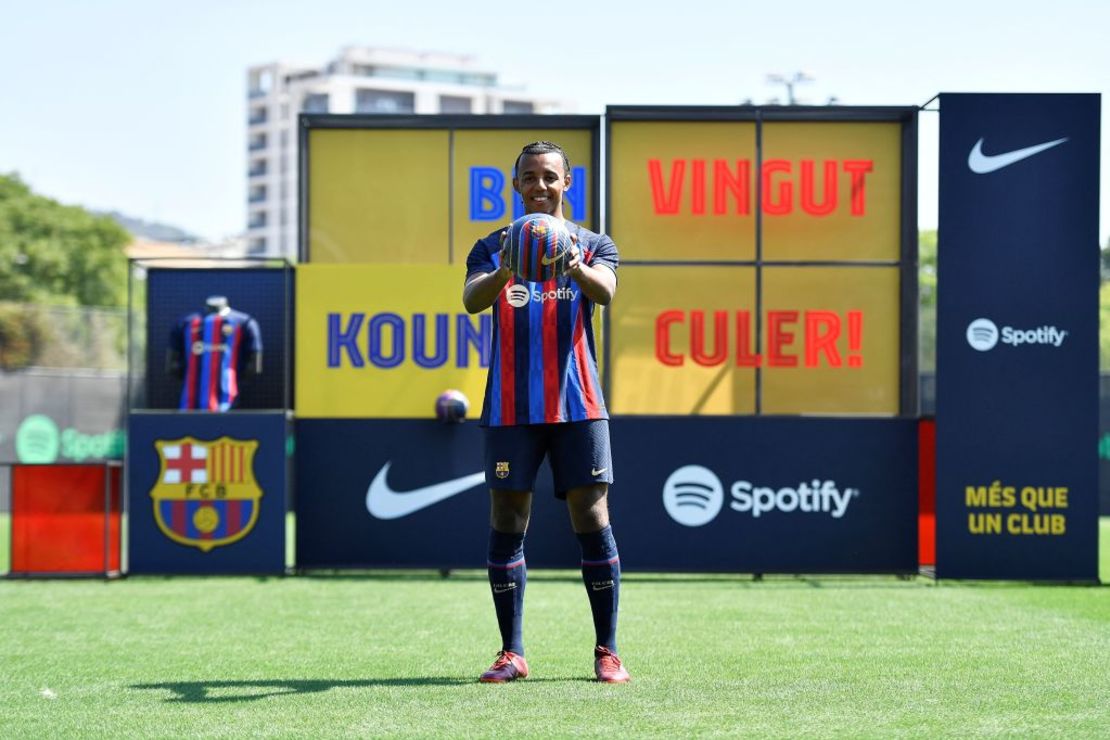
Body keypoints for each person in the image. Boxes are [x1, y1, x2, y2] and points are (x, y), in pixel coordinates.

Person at [463, 141, 630, 684]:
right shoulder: (493, 246)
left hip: (579, 403)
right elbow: (471, 298)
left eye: (550, 177)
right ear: (516, 186)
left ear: (566, 183)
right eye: (529, 177)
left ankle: (607, 651)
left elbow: (604, 292)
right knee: (508, 520)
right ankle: (511, 652)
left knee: (592, 517)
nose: (540, 186)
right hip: (510, 407)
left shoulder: (593, 243)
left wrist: (573, 264)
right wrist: (507, 271)